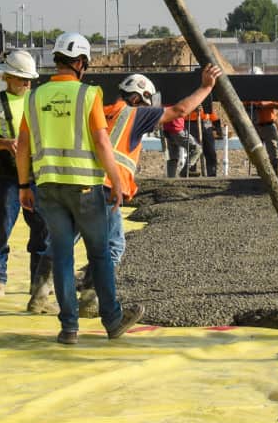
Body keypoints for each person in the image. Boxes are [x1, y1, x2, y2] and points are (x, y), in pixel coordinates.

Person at [15, 32, 143, 345]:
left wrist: (22, 186)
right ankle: (112, 320)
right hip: (85, 187)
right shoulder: (88, 94)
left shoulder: (34, 97)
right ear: (81, 62)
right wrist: (116, 181)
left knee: (62, 256)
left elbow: (22, 146)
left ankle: (68, 327)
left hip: (48, 188)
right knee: (99, 254)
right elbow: (101, 141)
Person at [78, 64, 222, 316]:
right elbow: (179, 110)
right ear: (135, 97)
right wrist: (206, 87)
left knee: (72, 240)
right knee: (112, 247)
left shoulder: (100, 112)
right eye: (145, 101)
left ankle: (43, 289)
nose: (148, 108)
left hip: (80, 186)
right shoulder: (134, 114)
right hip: (108, 188)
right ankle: (93, 298)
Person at [0, 50, 54, 311]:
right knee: (1, 228)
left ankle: (37, 284)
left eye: (30, 80)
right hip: (6, 175)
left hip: (37, 175)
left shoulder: (38, 101)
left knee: (42, 230)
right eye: (22, 79)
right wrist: (6, 143)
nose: (27, 84)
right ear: (7, 77)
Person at [243, 67, 278, 175]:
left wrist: (267, 104)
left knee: (273, 153)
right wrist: (251, 104)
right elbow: (242, 106)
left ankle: (275, 175)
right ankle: (261, 175)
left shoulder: (269, 90)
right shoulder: (248, 92)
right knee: (257, 154)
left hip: (268, 125)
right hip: (254, 126)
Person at [186, 104, 219, 176]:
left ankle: (212, 174)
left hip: (206, 123)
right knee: (194, 150)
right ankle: (191, 172)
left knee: (210, 151)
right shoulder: (186, 94)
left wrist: (217, 126)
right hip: (190, 122)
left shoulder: (204, 96)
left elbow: (211, 110)